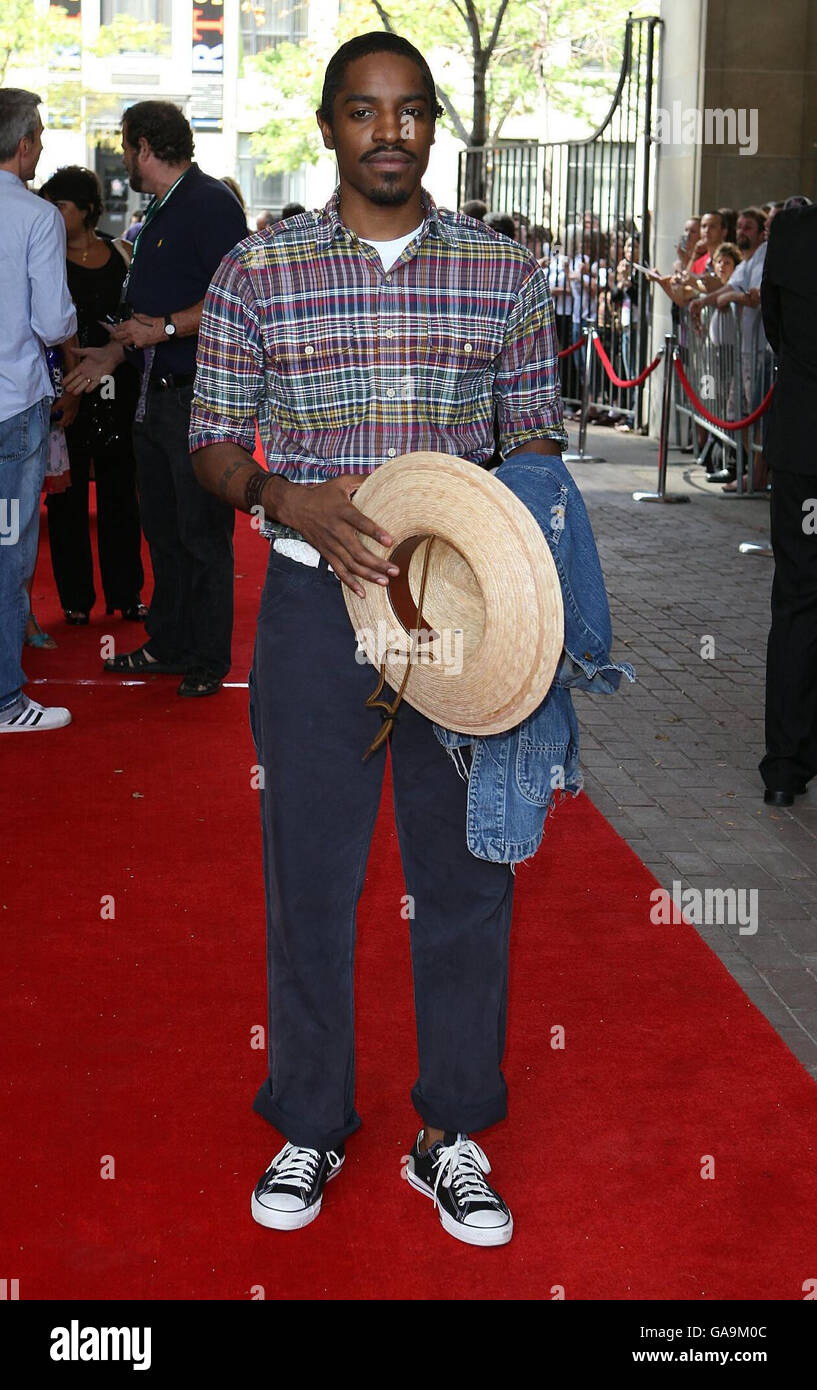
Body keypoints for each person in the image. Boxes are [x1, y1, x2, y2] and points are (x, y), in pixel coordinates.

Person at [190, 31, 569, 1245]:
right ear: (328, 125)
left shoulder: (503, 276)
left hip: (463, 614)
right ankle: (311, 1118)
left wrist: (526, 585)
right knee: (313, 877)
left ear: (433, 127)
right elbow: (209, 440)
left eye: (409, 113)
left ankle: (449, 1132)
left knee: (465, 877)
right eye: (363, 111)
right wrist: (279, 496)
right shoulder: (260, 270)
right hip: (314, 609)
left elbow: (538, 442)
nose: (387, 133)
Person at [64, 100, 248, 697]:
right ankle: (170, 643)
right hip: (155, 392)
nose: (124, 158)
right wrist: (114, 353)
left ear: (144, 146)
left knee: (201, 534)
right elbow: (151, 314)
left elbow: (233, 299)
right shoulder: (168, 207)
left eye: (125, 145)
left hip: (196, 398)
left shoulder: (210, 203)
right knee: (165, 531)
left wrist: (162, 329)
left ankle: (206, 658)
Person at [0, 88, 76, 733]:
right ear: (22, 144)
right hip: (11, 407)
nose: (43, 145)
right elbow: (53, 322)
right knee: (6, 550)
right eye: (41, 135)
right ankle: (2, 699)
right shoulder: (35, 215)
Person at [40, 165, 145, 625]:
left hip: (118, 387)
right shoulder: (43, 257)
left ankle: (126, 595)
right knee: (67, 501)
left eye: (59, 205)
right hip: (66, 389)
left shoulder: (121, 252)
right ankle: (76, 602)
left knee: (122, 495)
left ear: (85, 209)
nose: (51, 213)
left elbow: (137, 312)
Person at [759, 199, 817, 806]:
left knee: (798, 598)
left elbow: (774, 329)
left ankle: (784, 766)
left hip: (803, 443)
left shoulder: (795, 232)